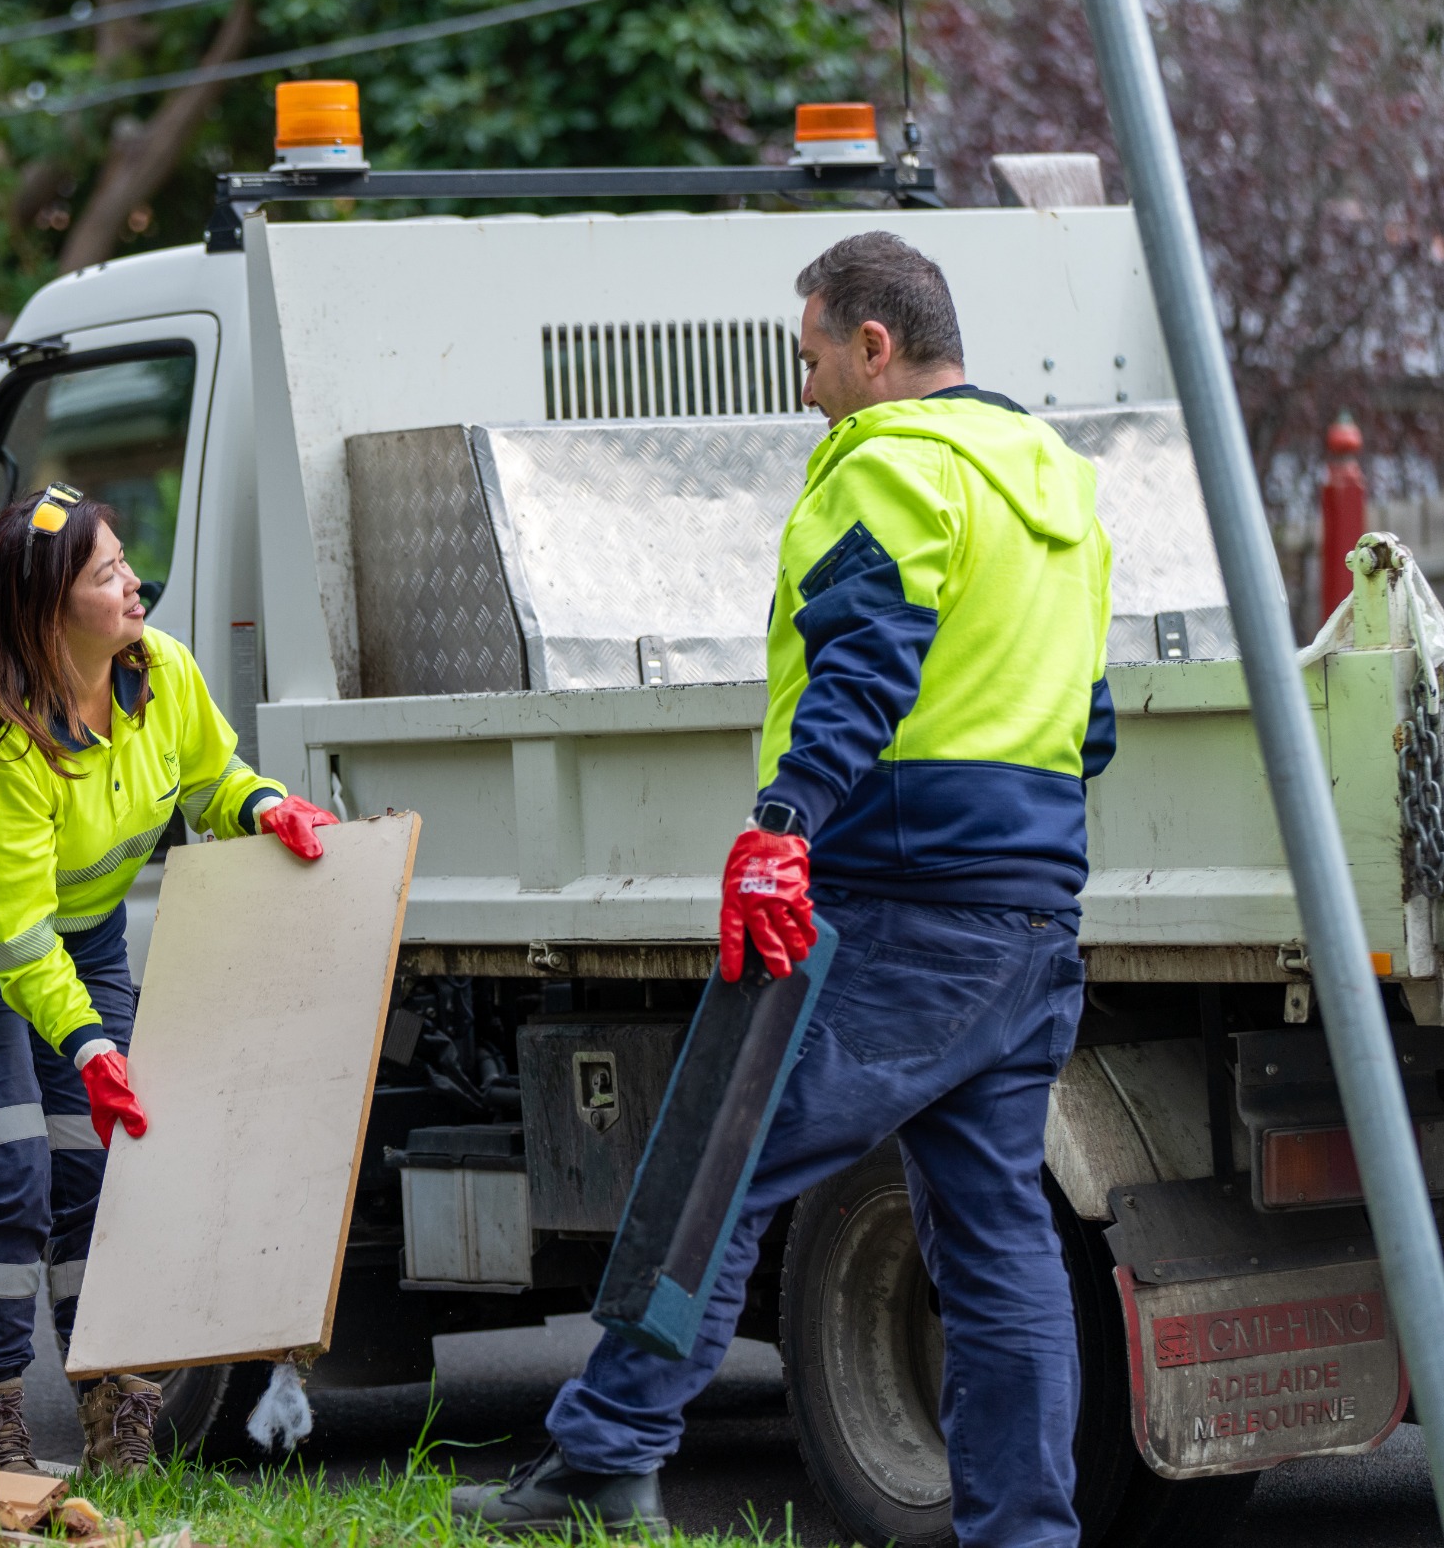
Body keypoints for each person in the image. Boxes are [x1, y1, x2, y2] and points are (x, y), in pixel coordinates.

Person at [452, 232, 1116, 1544]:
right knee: (994, 1245)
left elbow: (865, 662)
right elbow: (1087, 722)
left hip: (896, 899)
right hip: (1031, 909)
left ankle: (607, 1454)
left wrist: (783, 821)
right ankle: (1027, 1533)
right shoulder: (1056, 480)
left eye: (811, 352)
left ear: (874, 345)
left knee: (719, 1146)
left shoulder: (889, 471)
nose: (804, 385)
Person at [0, 482, 339, 1475]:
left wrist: (261, 807)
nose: (134, 583)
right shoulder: (0, 752)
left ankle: (116, 1401)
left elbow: (210, 776)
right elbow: (18, 938)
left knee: (97, 1169)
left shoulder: (158, 670)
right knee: (14, 1168)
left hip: (78, 941)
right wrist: (85, 1043)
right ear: (47, 611)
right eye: (106, 571)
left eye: (124, 559)